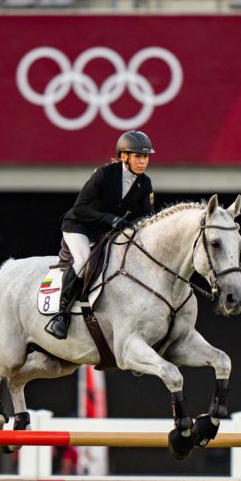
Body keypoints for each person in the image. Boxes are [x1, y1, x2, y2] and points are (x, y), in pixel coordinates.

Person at [45, 130, 157, 340]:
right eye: (139, 156)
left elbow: (148, 217)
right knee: (84, 262)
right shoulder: (104, 175)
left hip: (106, 232)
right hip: (79, 227)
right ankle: (61, 315)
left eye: (146, 157)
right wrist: (111, 220)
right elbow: (80, 208)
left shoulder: (145, 183)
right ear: (124, 156)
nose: (144, 162)